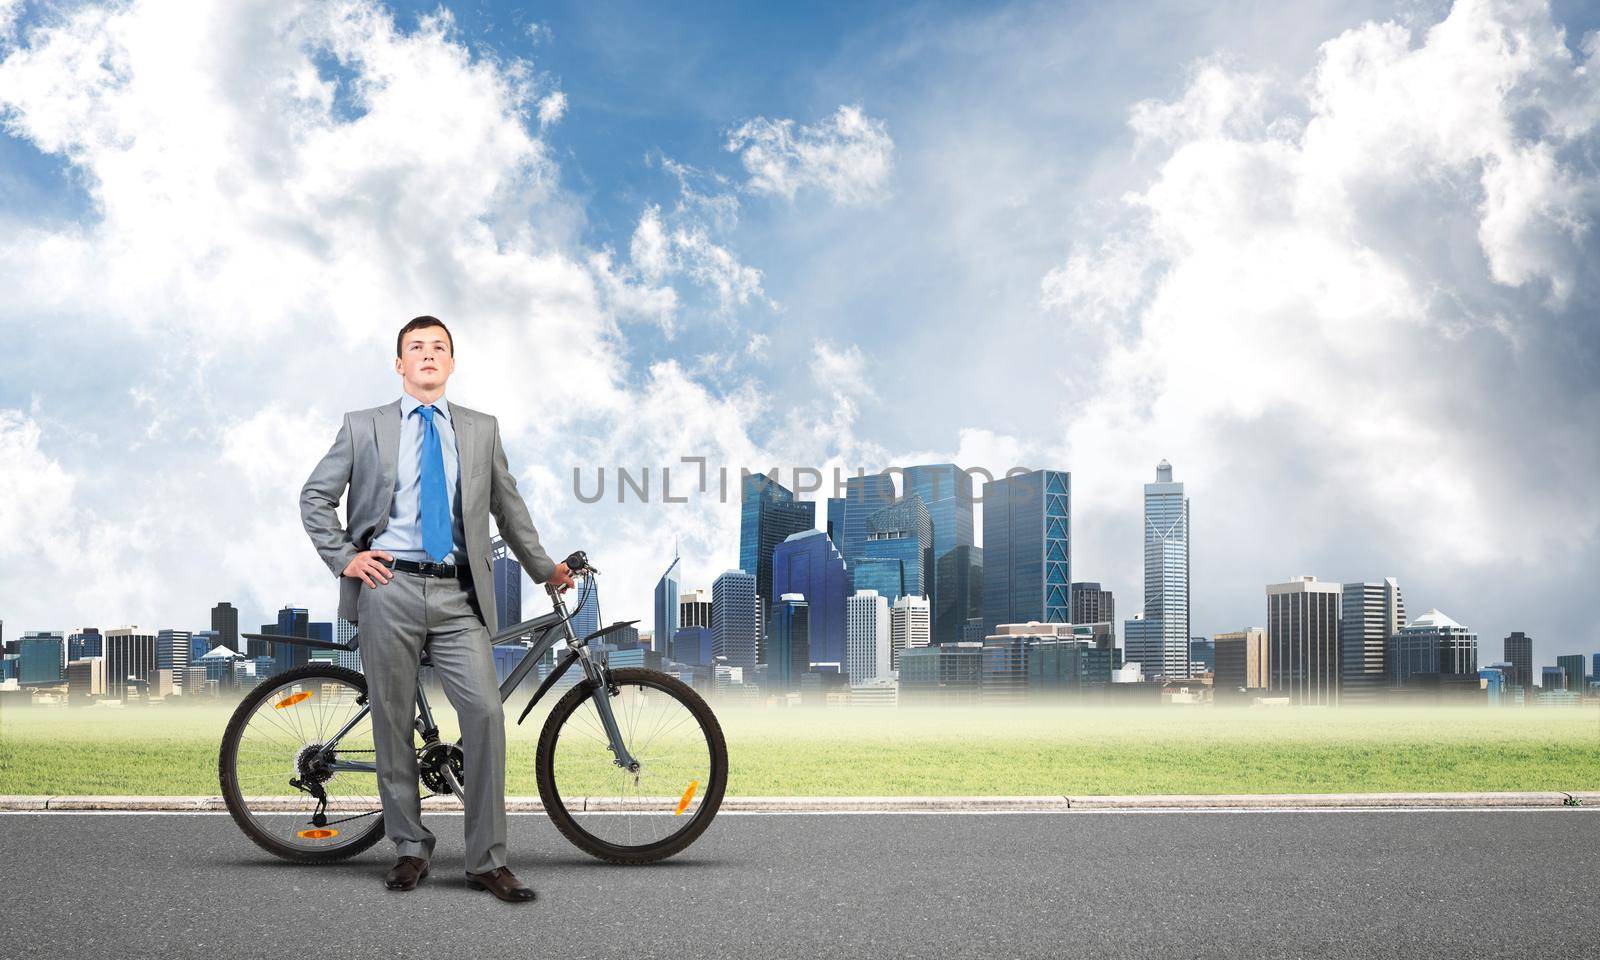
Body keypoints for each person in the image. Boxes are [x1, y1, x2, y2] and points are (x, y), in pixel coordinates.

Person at [299, 315, 574, 902]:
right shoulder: (362, 426)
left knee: (485, 715)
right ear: (399, 365)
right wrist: (345, 558)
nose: (428, 354)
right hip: (387, 589)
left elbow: (509, 508)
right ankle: (409, 847)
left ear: (452, 363)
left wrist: (544, 567)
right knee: (392, 722)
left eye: (439, 347)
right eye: (416, 348)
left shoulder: (480, 429)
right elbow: (315, 496)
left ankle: (486, 860)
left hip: (458, 594)